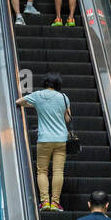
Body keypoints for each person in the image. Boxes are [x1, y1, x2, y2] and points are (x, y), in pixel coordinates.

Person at [15, 73, 71, 211]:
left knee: (42, 171)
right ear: (57, 85)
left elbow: (18, 102)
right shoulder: (63, 97)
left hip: (44, 139)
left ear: (45, 83)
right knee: (58, 171)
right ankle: (55, 203)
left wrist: (37, 106)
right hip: (61, 139)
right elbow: (68, 119)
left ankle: (45, 202)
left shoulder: (38, 95)